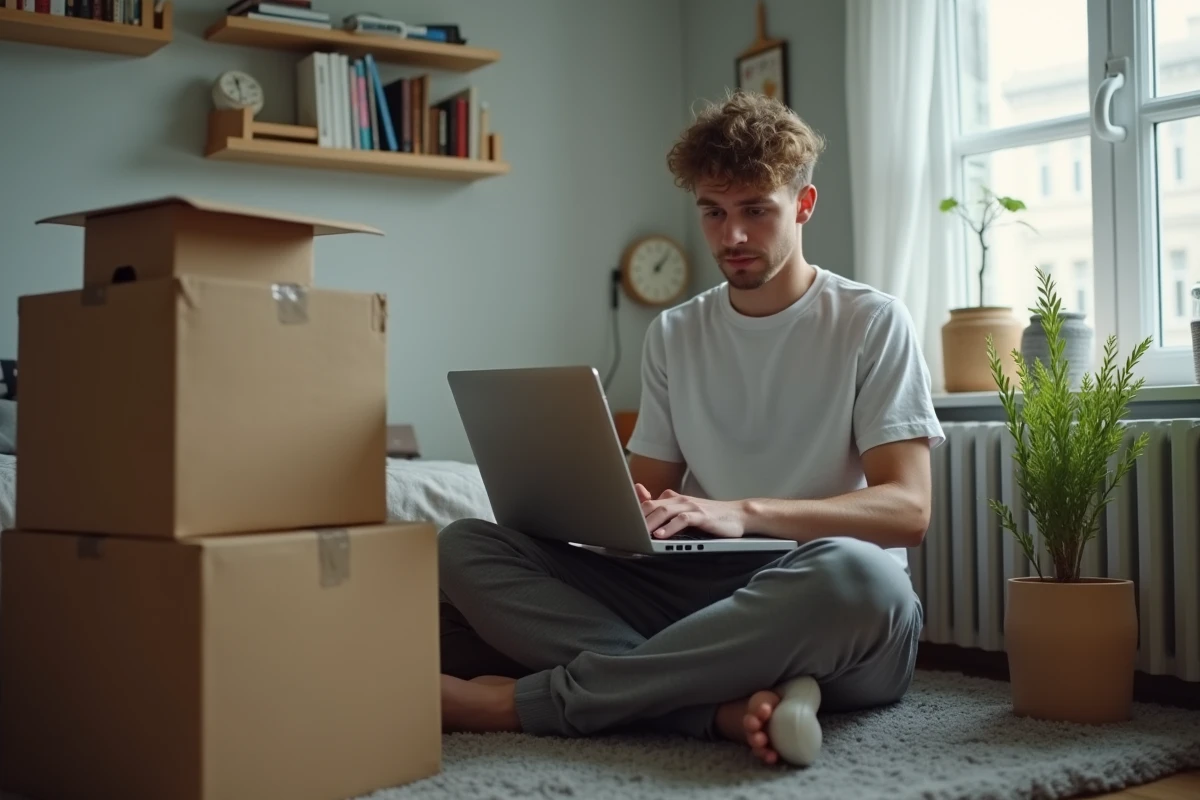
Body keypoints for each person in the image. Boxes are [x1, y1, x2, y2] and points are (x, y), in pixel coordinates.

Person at [437, 89, 945, 766]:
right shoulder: (674, 332)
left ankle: (526, 704)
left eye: (756, 211)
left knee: (862, 577)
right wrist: (605, 506)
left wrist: (743, 512)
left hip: (819, 596)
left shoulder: (871, 321)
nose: (731, 236)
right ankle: (712, 708)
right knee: (464, 546)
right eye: (713, 212)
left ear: (803, 205)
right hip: (699, 596)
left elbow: (909, 510)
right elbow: (643, 503)